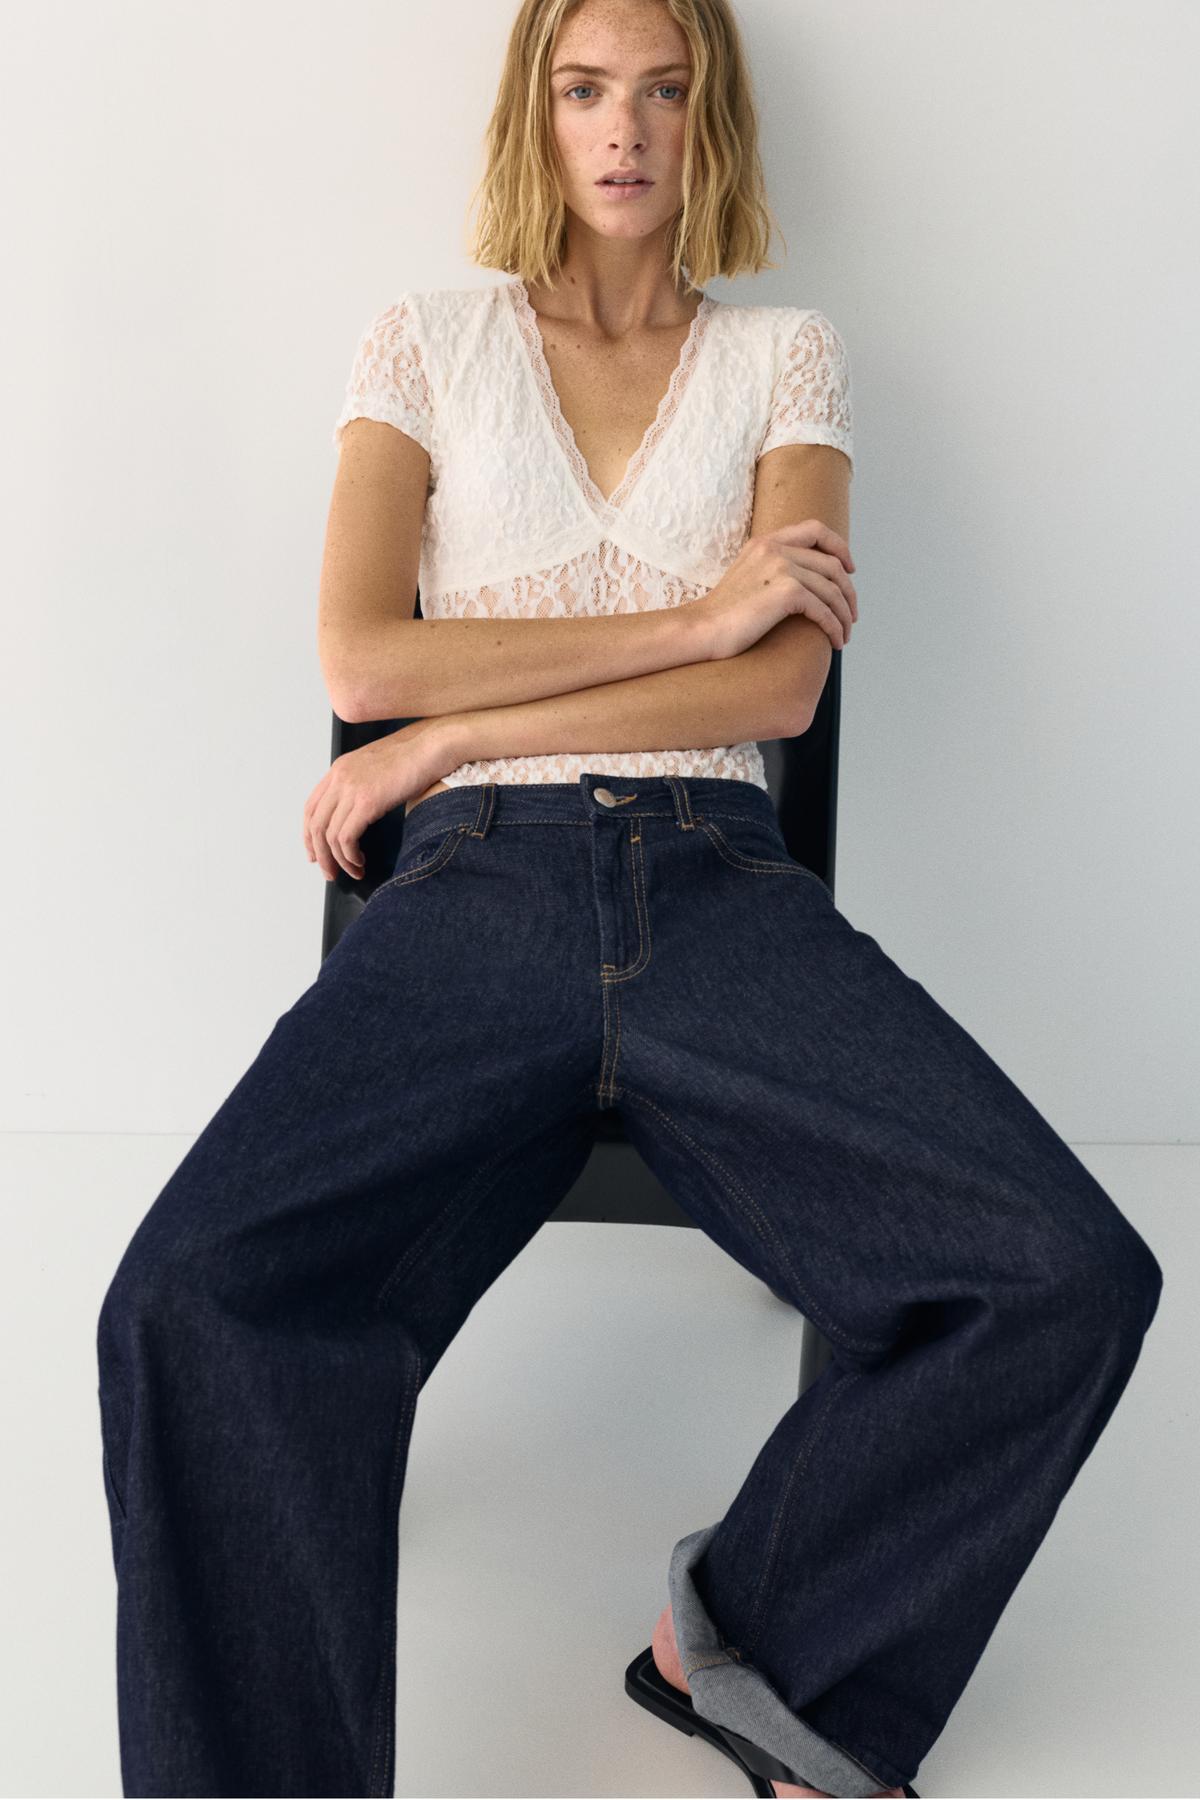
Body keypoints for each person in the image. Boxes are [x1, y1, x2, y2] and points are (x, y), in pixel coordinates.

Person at [95, 0, 1164, 1794]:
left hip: (716, 882)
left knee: (1065, 1272)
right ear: (537, 112)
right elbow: (365, 652)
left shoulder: (787, 359)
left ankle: (754, 1643)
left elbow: (781, 688)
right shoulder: (424, 341)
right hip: (474, 889)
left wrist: (458, 725)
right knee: (188, 1301)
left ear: (708, 118)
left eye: (665, 91)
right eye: (586, 88)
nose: (625, 129)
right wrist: (683, 621)